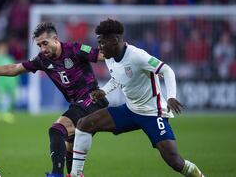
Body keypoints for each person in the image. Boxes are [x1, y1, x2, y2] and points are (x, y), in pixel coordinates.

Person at [0, 22, 108, 177]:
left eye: (45, 43)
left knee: (57, 130)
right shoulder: (42, 60)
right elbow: (14, 69)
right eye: (39, 45)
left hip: (93, 100)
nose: (43, 49)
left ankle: (55, 174)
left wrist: (127, 56)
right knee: (70, 144)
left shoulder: (75, 49)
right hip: (78, 106)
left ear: (55, 39)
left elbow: (105, 55)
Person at [70, 19, 205, 177]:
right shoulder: (109, 56)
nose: (99, 47)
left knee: (174, 161)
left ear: (115, 40)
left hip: (152, 113)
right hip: (131, 110)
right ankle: (75, 174)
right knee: (84, 124)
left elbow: (167, 70)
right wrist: (104, 91)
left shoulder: (137, 56)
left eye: (102, 42)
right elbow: (117, 77)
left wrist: (171, 97)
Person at [0, 41, 19, 123]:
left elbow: (16, 69)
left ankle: (7, 114)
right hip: (0, 82)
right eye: (1, 48)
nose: (3, 50)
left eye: (4, 48)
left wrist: (16, 80)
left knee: (11, 98)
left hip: (10, 82)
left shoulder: (9, 58)